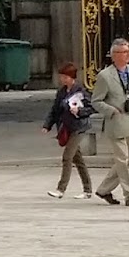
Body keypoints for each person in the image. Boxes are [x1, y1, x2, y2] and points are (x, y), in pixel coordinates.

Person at [90, 39, 129, 208]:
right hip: (115, 122)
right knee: (122, 158)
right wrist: (110, 110)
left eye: (127, 52)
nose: (126, 55)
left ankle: (104, 189)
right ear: (114, 55)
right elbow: (96, 101)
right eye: (121, 52)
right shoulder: (105, 76)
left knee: (127, 160)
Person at [42, 62, 94, 199]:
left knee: (67, 157)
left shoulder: (81, 91)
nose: (63, 80)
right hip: (66, 127)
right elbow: (55, 110)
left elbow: (91, 108)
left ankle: (61, 189)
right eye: (61, 77)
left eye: (65, 77)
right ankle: (87, 189)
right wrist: (47, 125)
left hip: (79, 127)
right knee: (78, 160)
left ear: (72, 77)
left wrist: (79, 111)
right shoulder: (61, 92)